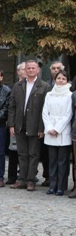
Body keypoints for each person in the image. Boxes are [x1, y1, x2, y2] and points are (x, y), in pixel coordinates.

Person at [7, 60, 51, 191]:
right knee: (22, 153)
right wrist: (11, 124)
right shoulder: (18, 86)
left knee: (34, 154)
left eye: (33, 68)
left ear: (38, 70)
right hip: (20, 124)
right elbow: (12, 106)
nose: (30, 70)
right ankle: (21, 179)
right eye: (28, 68)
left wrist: (42, 128)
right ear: (25, 70)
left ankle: (31, 180)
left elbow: (46, 109)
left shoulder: (44, 86)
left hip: (35, 126)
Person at [41, 70, 72, 196]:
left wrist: (57, 129)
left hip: (63, 131)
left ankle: (61, 186)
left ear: (66, 81)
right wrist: (49, 128)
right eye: (58, 78)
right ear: (55, 79)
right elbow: (45, 112)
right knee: (52, 160)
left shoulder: (69, 95)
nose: (60, 81)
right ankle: (52, 185)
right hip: (50, 130)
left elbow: (68, 114)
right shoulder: (49, 95)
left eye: (63, 79)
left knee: (62, 161)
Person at [6, 62, 26, 185]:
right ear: (18, 71)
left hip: (27, 123)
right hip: (15, 122)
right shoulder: (12, 87)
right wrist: (11, 124)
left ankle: (25, 175)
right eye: (23, 69)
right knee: (13, 150)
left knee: (26, 152)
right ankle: (11, 176)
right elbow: (10, 106)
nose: (25, 71)